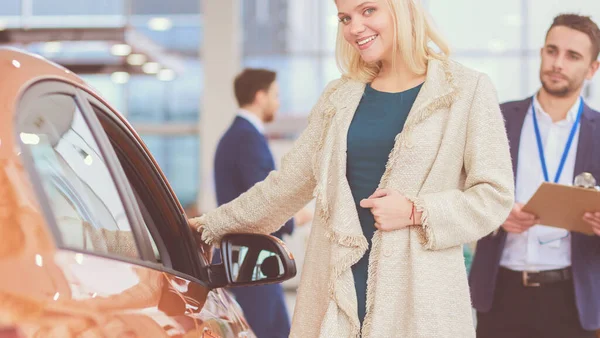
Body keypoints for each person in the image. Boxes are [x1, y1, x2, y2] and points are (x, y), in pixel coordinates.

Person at [191, 0, 514, 336]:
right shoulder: (338, 97)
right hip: (336, 289)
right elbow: (283, 187)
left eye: (368, 10)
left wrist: (417, 211)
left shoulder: (465, 89)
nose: (353, 27)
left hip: (420, 301)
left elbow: (494, 197)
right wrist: (206, 227)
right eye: (345, 17)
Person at [470, 14, 600, 338]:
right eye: (552, 51)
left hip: (574, 297)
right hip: (500, 293)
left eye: (573, 56)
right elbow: (462, 188)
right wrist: (496, 213)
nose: (558, 63)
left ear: (593, 69)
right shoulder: (497, 118)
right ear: (542, 52)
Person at [211, 68, 312, 338]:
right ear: (260, 96)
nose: (278, 103)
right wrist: (294, 217)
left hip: (246, 258)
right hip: (251, 260)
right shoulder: (246, 138)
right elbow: (259, 201)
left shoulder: (240, 135)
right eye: (275, 95)